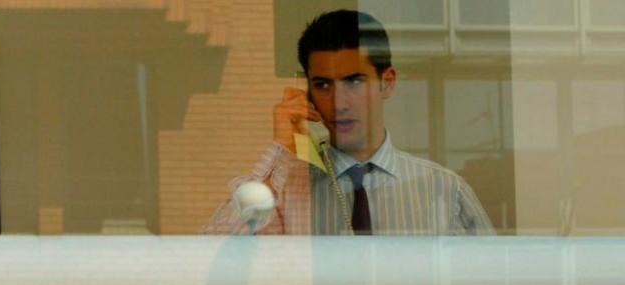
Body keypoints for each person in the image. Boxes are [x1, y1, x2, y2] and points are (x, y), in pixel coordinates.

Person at [205, 10, 494, 235]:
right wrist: (281, 149)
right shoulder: (286, 191)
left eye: (354, 82)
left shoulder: (443, 189)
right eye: (322, 85)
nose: (339, 103)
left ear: (387, 83)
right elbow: (210, 259)